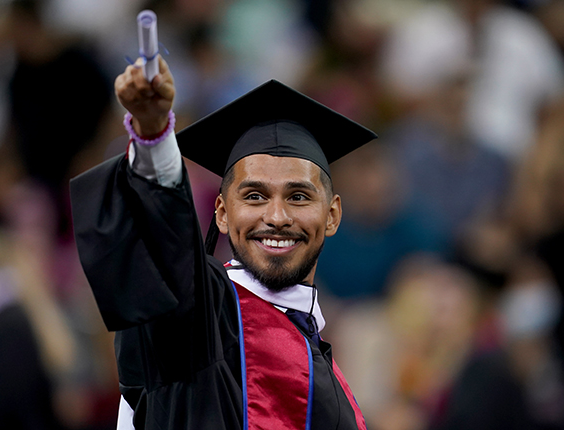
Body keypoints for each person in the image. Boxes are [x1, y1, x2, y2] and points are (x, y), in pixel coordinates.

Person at [70, 56, 376, 429]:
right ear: (221, 213)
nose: (277, 217)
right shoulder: (202, 318)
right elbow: (165, 251)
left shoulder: (330, 376)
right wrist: (154, 138)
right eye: (254, 196)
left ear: (331, 215)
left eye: (298, 197)